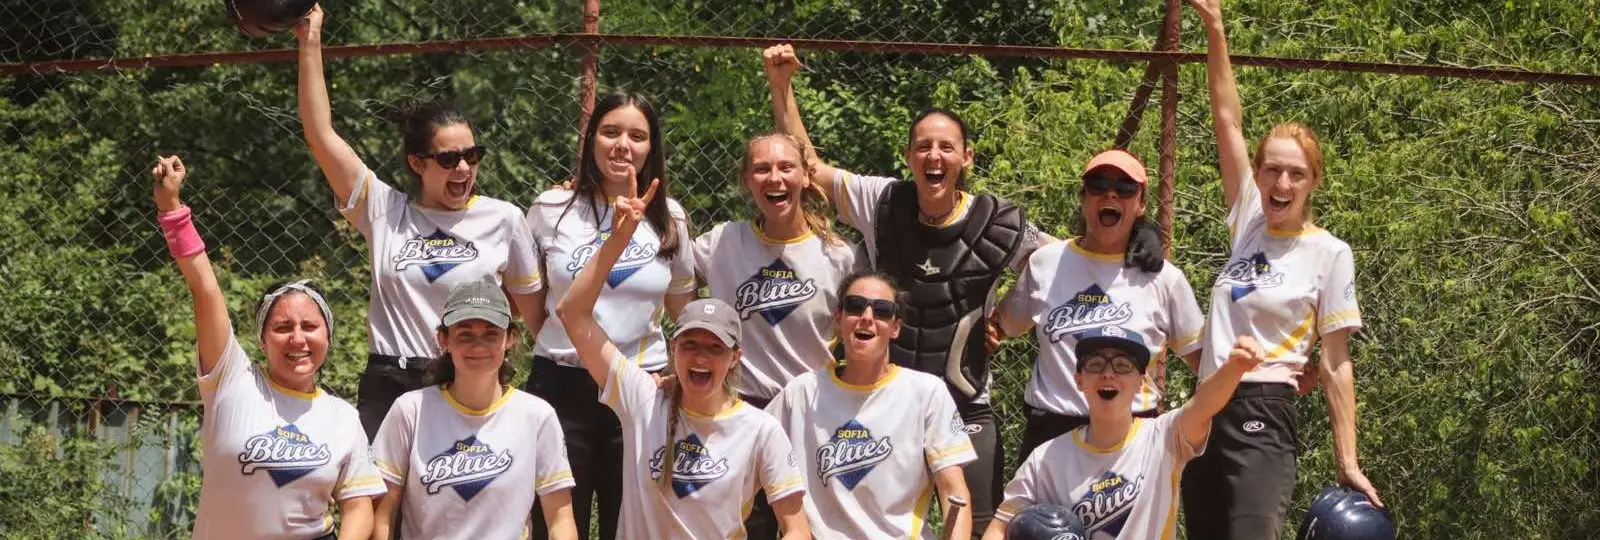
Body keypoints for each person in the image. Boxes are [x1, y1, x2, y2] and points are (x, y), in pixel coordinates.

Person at [765, 44, 1113, 535]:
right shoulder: (882, 202)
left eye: (946, 147)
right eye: (923, 146)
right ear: (909, 156)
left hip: (964, 401)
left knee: (977, 526)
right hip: (884, 402)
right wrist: (781, 86)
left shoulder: (1000, 223)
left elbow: (1068, 260)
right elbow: (812, 171)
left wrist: (1008, 318)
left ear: (966, 157)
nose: (934, 156)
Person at [294, 4, 545, 439]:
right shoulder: (384, 210)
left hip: (466, 380)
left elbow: (537, 320)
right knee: (377, 487)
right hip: (390, 380)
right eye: (448, 159)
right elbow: (320, 135)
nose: (463, 168)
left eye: (472, 155)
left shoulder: (504, 219)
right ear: (417, 162)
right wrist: (310, 40)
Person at [1182, 0, 1383, 537]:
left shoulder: (1329, 252)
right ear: (1259, 173)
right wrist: (1215, 27)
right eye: (1271, 169)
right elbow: (1227, 120)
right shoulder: (1249, 221)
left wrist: (1347, 460)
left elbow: (1335, 362)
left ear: (1313, 181)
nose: (1281, 183)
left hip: (1264, 407)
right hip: (1204, 407)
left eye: (1295, 174)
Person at [557, 171, 811, 540]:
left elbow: (796, 528)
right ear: (673, 348)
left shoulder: (760, 429)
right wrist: (618, 241)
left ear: (735, 357)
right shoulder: (642, 400)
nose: (701, 357)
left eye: (715, 348)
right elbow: (573, 314)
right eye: (690, 344)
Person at [152, 155, 384, 540]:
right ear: (262, 339)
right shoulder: (232, 381)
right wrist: (171, 208)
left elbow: (358, 504)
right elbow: (205, 290)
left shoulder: (342, 417)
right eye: (282, 327)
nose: (298, 339)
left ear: (327, 337)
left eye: (310, 326)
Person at [523, 91, 697, 539]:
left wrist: (676, 375)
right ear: (591, 140)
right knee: (556, 524)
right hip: (561, 385)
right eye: (611, 132)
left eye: (637, 136)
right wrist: (569, 345)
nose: (623, 145)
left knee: (634, 525)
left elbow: (684, 312)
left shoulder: (670, 217)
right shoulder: (550, 209)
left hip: (642, 386)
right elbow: (534, 308)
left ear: (651, 148)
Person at [989, 149, 1206, 462]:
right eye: (1098, 184)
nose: (1111, 194)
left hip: (1132, 435)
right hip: (1052, 431)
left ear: (1141, 204)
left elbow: (1204, 361)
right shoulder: (1045, 264)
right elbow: (999, 328)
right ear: (1084, 198)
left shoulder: (1163, 278)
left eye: (1125, 188)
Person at [693, 132, 858, 539]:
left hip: (813, 413)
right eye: (762, 169)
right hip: (742, 411)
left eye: (786, 167)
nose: (775, 178)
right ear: (746, 180)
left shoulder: (839, 255)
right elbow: (662, 269)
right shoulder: (722, 243)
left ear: (805, 176)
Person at [980, 327, 1266, 540]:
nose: (1108, 374)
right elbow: (1000, 527)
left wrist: (1235, 367)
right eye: (1095, 365)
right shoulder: (1046, 459)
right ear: (1079, 380)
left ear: (1142, 382)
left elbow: (1203, 406)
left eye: (1122, 366)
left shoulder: (1163, 438)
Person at [766, 270, 976, 540]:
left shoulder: (926, 392)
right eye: (855, 306)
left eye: (882, 311)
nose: (867, 317)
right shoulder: (801, 393)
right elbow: (747, 450)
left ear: (895, 327)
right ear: (838, 318)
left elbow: (953, 490)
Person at [370, 277, 578, 540]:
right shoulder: (411, 409)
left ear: (510, 338)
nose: (478, 345)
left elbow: (560, 519)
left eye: (491, 334)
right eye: (464, 334)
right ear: (443, 339)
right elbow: (382, 513)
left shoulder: (537, 416)